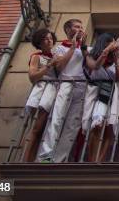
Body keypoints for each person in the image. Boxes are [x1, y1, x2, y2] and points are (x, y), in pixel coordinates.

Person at [37, 19, 89, 162]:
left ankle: (59, 159)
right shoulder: (60, 48)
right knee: (56, 118)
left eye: (81, 27)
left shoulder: (87, 48)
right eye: (76, 27)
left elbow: (91, 67)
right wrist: (73, 47)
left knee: (73, 124)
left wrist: (82, 46)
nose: (80, 29)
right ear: (68, 30)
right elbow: (59, 67)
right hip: (66, 82)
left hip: (82, 86)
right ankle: (45, 156)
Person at [81, 33, 119, 162]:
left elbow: (118, 77)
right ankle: (92, 159)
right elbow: (95, 66)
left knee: (110, 126)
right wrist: (106, 51)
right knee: (96, 126)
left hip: (112, 93)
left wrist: (116, 59)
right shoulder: (90, 54)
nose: (113, 46)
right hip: (95, 92)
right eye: (110, 43)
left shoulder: (115, 59)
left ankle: (100, 159)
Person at [23, 28, 58, 162]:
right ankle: (27, 160)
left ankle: (35, 158)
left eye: (50, 38)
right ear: (39, 42)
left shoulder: (55, 55)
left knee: (42, 128)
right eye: (45, 38)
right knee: (36, 128)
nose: (49, 41)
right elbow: (32, 77)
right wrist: (48, 66)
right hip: (41, 91)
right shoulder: (37, 56)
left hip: (52, 91)